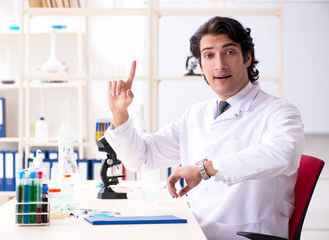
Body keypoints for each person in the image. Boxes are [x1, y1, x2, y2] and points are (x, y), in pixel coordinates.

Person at [104, 16, 304, 240]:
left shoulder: (279, 111)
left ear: (247, 58)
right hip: (198, 232)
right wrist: (119, 112)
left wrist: (205, 169)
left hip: (248, 235)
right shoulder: (196, 114)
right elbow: (141, 158)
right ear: (200, 66)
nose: (219, 65)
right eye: (209, 55)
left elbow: (284, 155)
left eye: (229, 52)